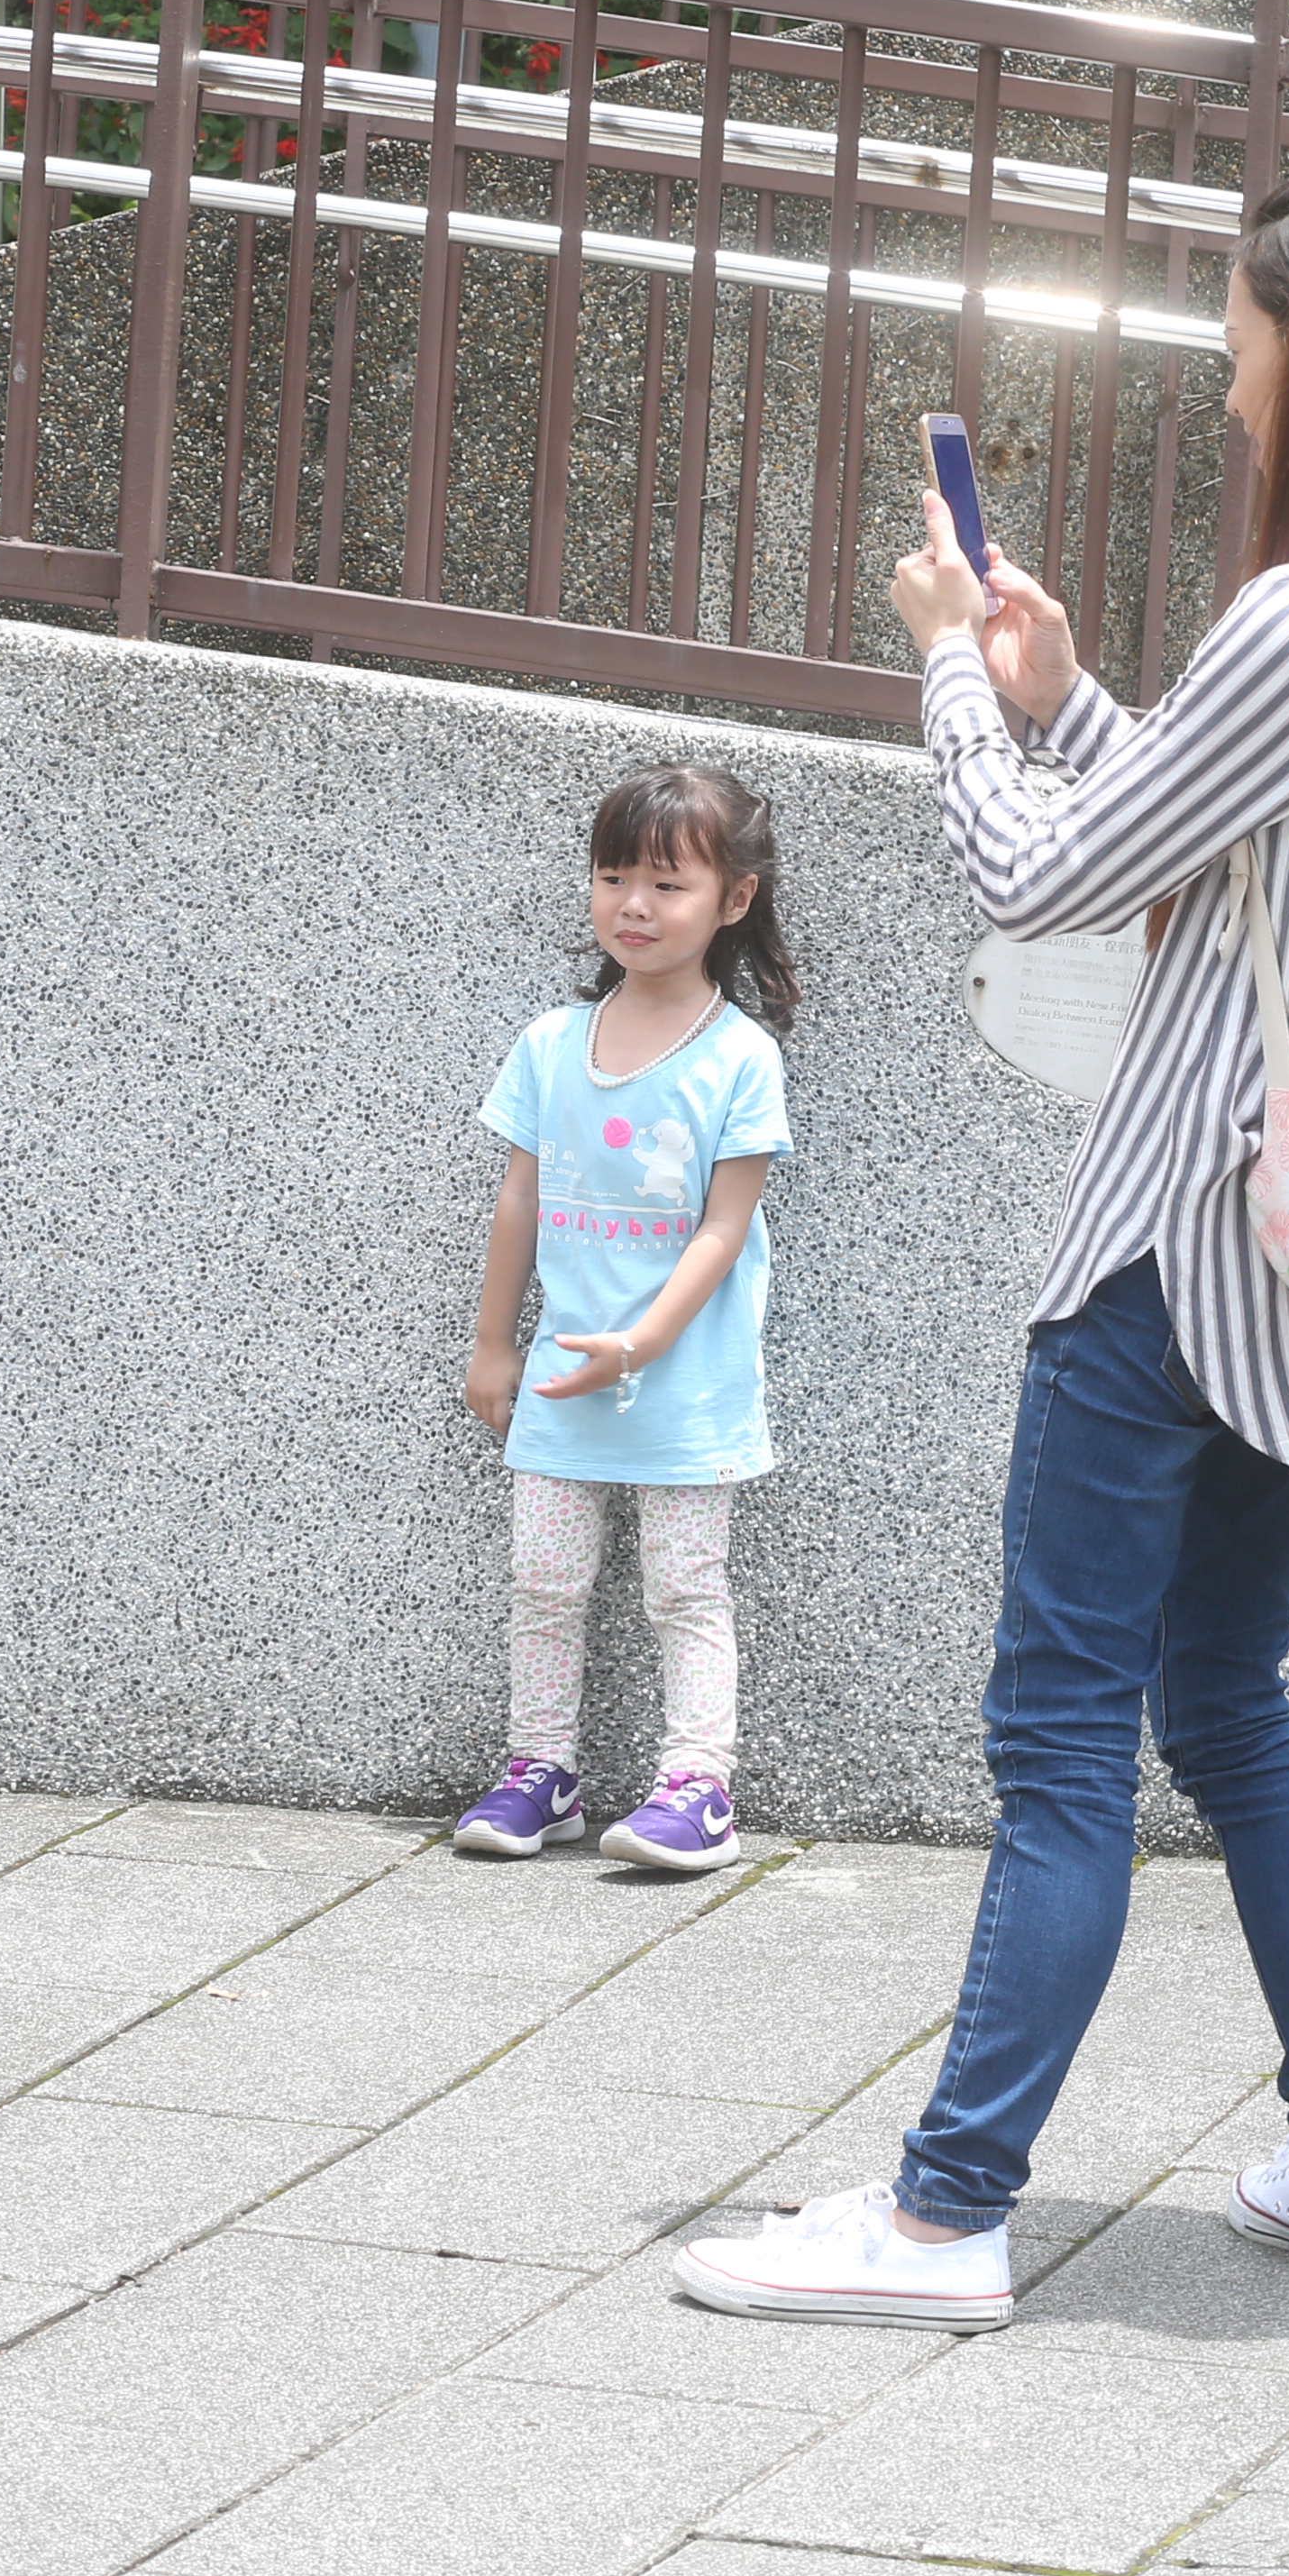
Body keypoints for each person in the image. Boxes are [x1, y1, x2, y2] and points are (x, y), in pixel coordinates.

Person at [676, 160, 1289, 2332]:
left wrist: (953, 692)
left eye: (1243, 328)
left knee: (1060, 1730)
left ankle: (943, 2207)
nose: (1225, 368)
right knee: (1224, 1697)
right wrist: (1064, 687)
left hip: (1176, 1228)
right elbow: (1225, 832)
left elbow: (1043, 881)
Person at [454, 763, 802, 1877]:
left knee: (683, 1588)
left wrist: (645, 1343)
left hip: (686, 1385)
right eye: (614, 877)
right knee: (544, 1583)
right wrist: (493, 1341)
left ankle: (698, 1785)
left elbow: (722, 1227)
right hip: (561, 1374)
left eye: (666, 882)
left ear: (732, 901)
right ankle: (539, 1771)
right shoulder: (552, 1043)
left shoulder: (742, 1057)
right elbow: (520, 1195)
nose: (635, 906)